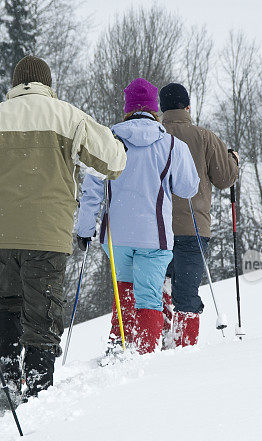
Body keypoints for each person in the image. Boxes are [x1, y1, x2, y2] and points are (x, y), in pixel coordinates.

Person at [0, 56, 126, 402]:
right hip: (48, 233)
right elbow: (114, 162)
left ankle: (9, 378)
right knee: (43, 307)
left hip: (0, 233)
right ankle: (39, 382)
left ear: (15, 85)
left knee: (6, 302)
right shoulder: (68, 117)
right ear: (48, 84)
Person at [75, 78, 199, 355]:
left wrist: (84, 230)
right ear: (155, 109)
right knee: (149, 297)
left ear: (127, 108)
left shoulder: (108, 142)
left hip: (117, 236)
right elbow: (188, 188)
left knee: (124, 294)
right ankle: (144, 354)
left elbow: (92, 191)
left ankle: (120, 348)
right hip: (155, 236)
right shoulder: (172, 145)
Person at [159, 83, 239, 347]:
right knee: (188, 291)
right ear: (187, 107)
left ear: (161, 108)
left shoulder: (156, 135)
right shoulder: (204, 137)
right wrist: (234, 161)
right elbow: (224, 178)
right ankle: (183, 347)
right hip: (194, 228)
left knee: (161, 284)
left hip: (158, 230)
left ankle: (161, 338)